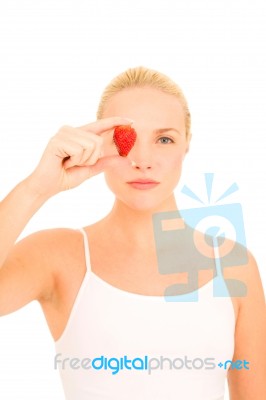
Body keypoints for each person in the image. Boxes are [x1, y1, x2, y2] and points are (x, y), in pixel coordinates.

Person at [0, 66, 265, 400]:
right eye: (125, 141)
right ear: (98, 146)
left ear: (186, 146)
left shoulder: (233, 265)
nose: (143, 160)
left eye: (164, 139)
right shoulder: (58, 255)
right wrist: (35, 188)